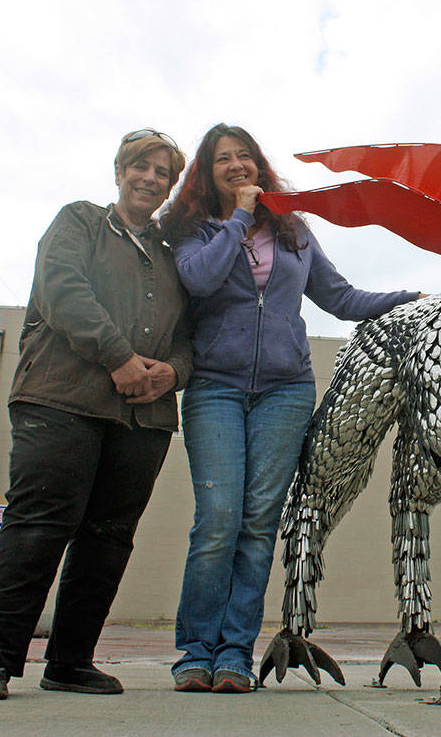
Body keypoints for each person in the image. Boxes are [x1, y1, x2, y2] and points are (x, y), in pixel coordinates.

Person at [161, 123, 420, 694]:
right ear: (208, 173)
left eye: (244, 156)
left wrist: (411, 299)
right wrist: (236, 218)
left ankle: (233, 653)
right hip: (216, 388)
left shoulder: (293, 229)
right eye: (222, 159)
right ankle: (195, 652)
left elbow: (341, 298)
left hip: (287, 390)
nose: (236, 165)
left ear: (259, 164)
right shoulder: (191, 231)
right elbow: (200, 281)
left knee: (257, 524)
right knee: (218, 519)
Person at [0, 129, 192, 700]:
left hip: (143, 419)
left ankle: (69, 662)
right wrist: (118, 357)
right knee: (39, 524)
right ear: (119, 171)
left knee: (109, 537)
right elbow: (63, 289)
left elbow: (189, 334)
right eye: (141, 167)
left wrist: (173, 373)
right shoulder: (80, 222)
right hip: (61, 399)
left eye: (163, 173)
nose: (151, 179)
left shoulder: (169, 256)